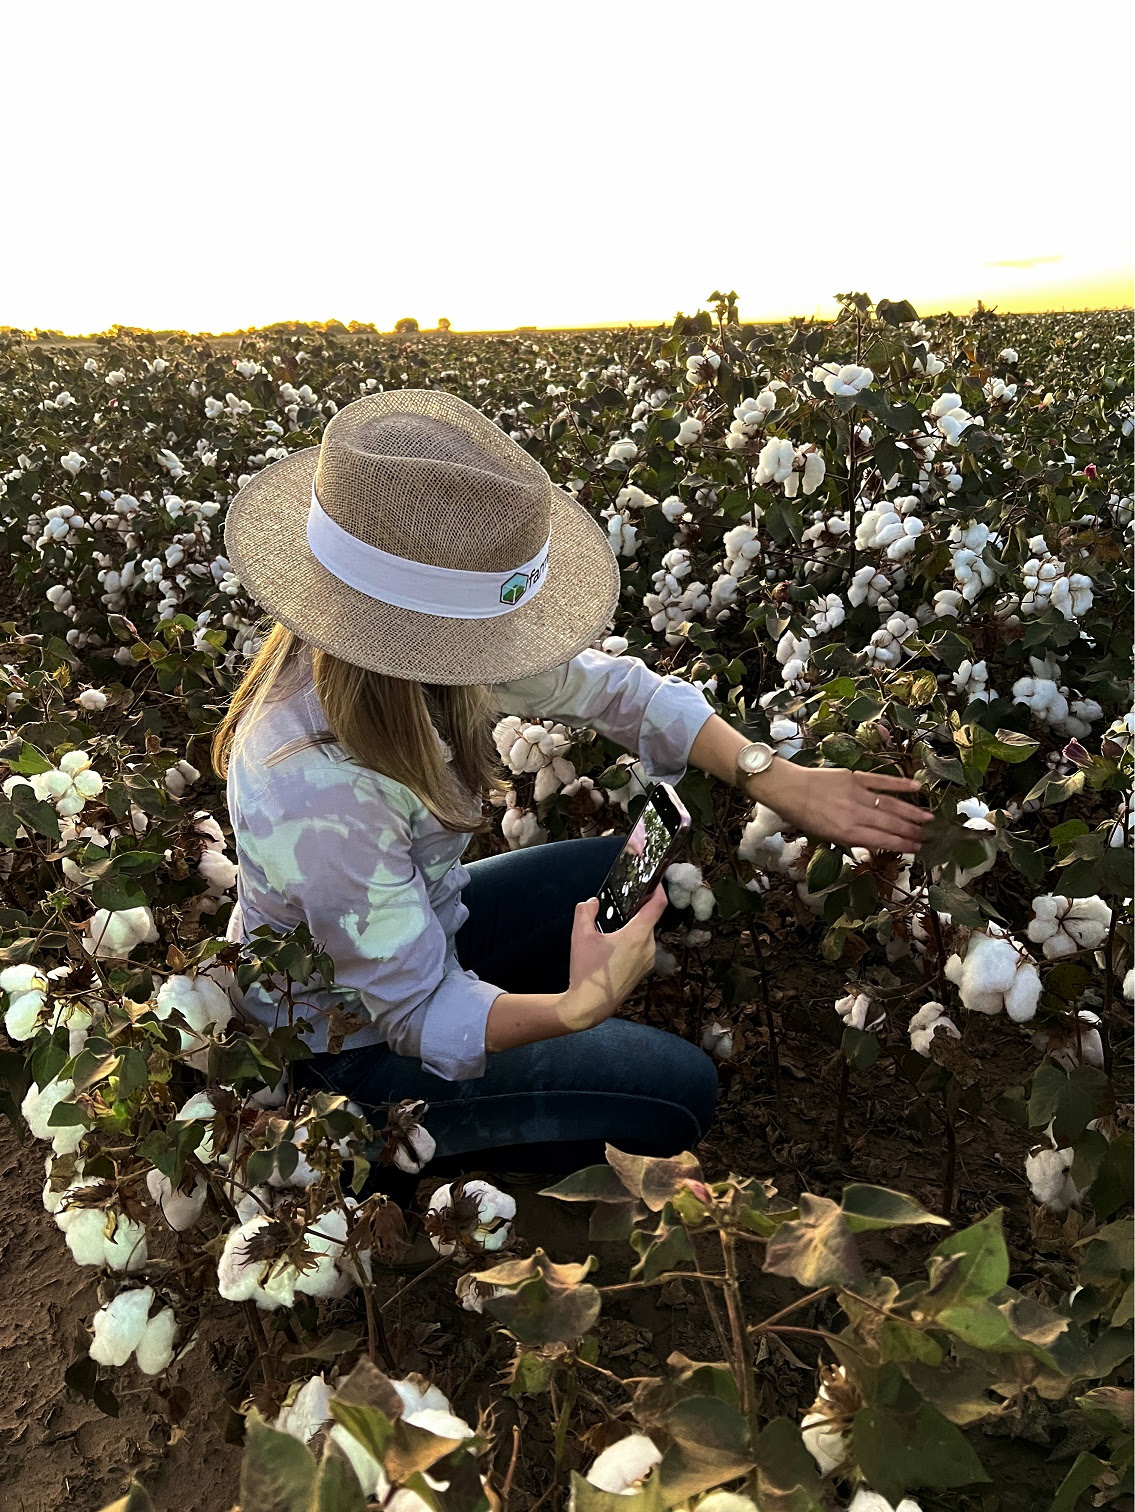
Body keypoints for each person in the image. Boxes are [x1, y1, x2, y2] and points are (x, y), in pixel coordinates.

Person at [212, 390, 933, 1202]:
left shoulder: (419, 648)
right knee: (675, 1091)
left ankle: (536, 1074)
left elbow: (615, 689)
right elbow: (415, 1012)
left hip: (420, 930)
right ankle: (371, 1141)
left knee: (620, 870)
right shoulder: (308, 784)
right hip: (342, 1037)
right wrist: (578, 1007)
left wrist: (779, 778)